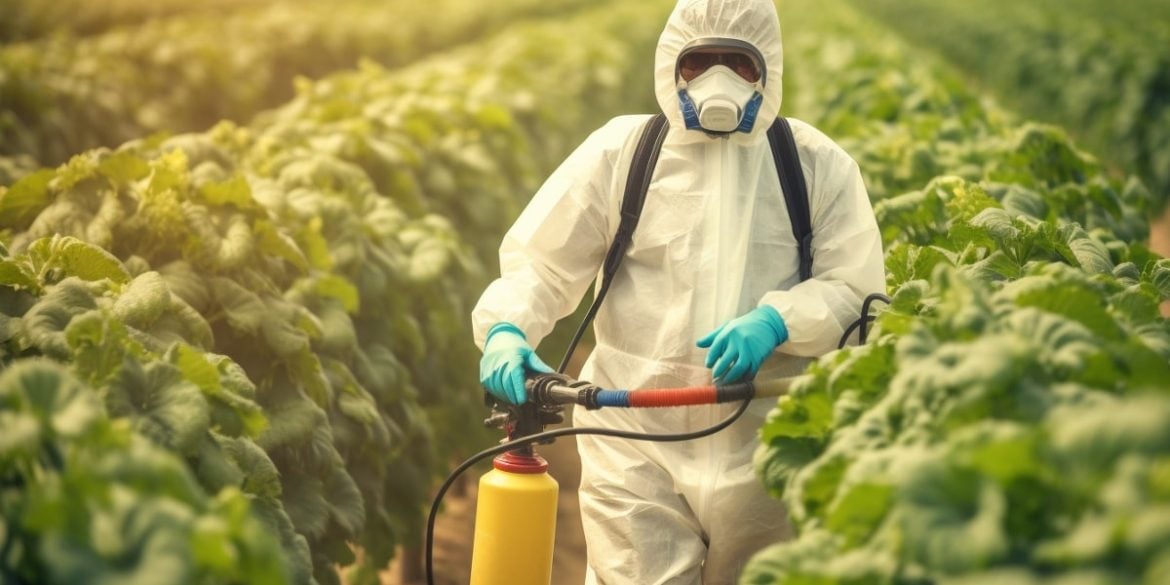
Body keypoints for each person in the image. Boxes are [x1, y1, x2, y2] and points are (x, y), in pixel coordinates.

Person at [471, 0, 885, 582]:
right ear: (673, 64)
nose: (718, 79)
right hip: (636, 440)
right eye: (700, 61)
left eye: (737, 63)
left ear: (767, 67)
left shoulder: (814, 164)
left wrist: (779, 320)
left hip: (768, 447)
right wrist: (508, 329)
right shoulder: (623, 153)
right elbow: (541, 263)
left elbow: (856, 290)